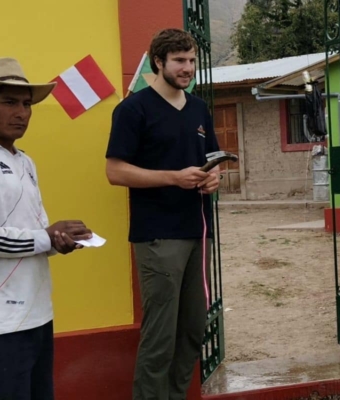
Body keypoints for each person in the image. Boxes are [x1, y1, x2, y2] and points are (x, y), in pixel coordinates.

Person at [105, 28, 221, 400]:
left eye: (191, 61)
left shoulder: (200, 108)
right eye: (180, 61)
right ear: (159, 61)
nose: (187, 69)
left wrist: (214, 176)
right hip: (157, 236)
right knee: (160, 335)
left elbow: (212, 160)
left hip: (196, 231)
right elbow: (115, 171)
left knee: (191, 328)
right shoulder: (132, 109)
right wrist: (173, 177)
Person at [0, 57, 92, 400]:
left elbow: (35, 227)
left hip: (38, 313)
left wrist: (61, 241)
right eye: (9, 102)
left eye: (26, 104)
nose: (21, 112)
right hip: (4, 324)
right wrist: (46, 236)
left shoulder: (25, 161)